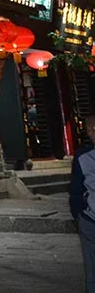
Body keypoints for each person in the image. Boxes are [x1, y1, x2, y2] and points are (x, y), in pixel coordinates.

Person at [70, 114, 95, 292]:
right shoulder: (83, 156)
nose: (90, 133)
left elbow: (76, 189)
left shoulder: (83, 157)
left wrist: (78, 212)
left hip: (90, 215)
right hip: (89, 216)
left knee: (92, 268)